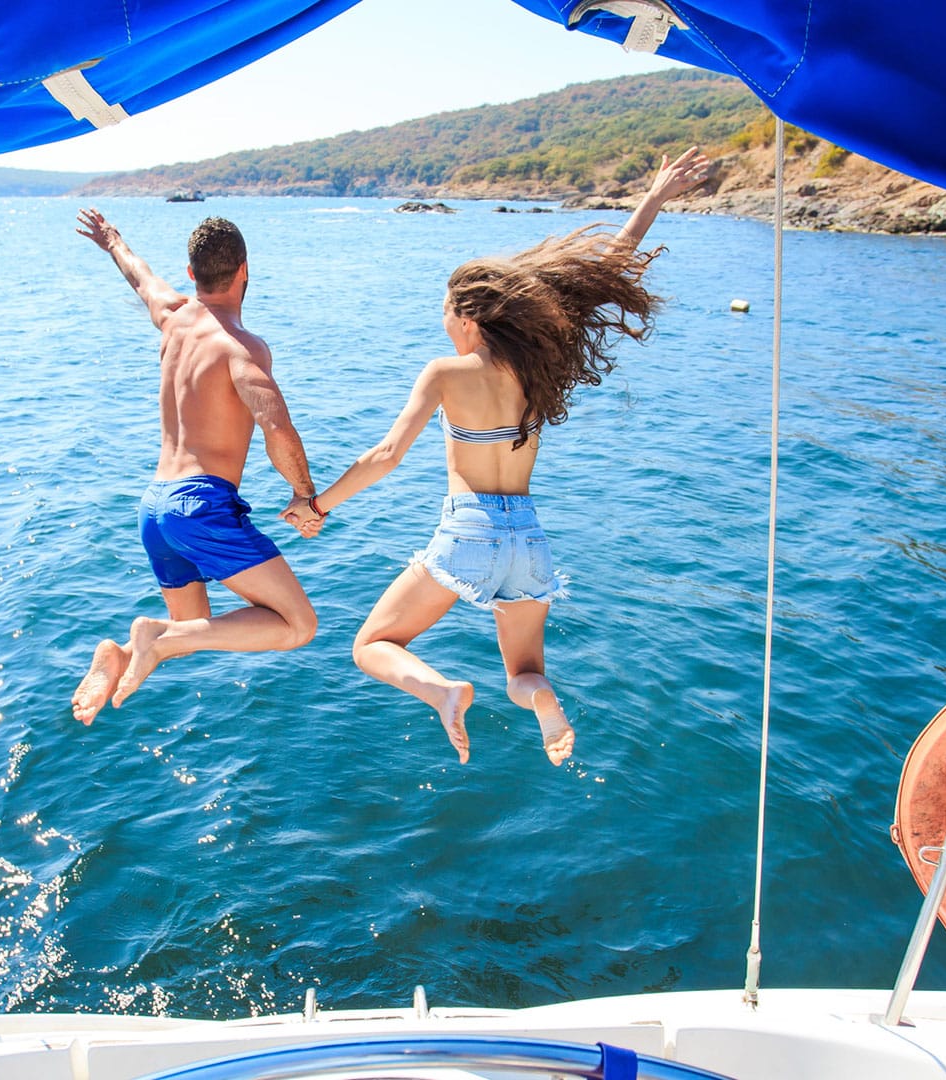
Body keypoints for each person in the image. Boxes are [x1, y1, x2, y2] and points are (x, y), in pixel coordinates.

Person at [284, 149, 711, 766]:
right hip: (529, 537)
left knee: (373, 643)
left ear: (469, 317)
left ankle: (444, 691)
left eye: (446, 311)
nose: (442, 322)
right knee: (524, 674)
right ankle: (543, 701)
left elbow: (386, 455)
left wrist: (316, 504)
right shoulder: (542, 366)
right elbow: (604, 273)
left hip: (471, 529)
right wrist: (653, 200)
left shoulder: (446, 372)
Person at [70, 209, 319, 724]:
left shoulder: (173, 317)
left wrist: (113, 239)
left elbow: (140, 276)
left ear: (191, 273)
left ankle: (122, 651)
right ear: (245, 270)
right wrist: (304, 494)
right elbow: (277, 427)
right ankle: (150, 638)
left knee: (193, 627)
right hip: (200, 505)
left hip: (155, 505)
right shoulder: (242, 348)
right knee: (298, 625)